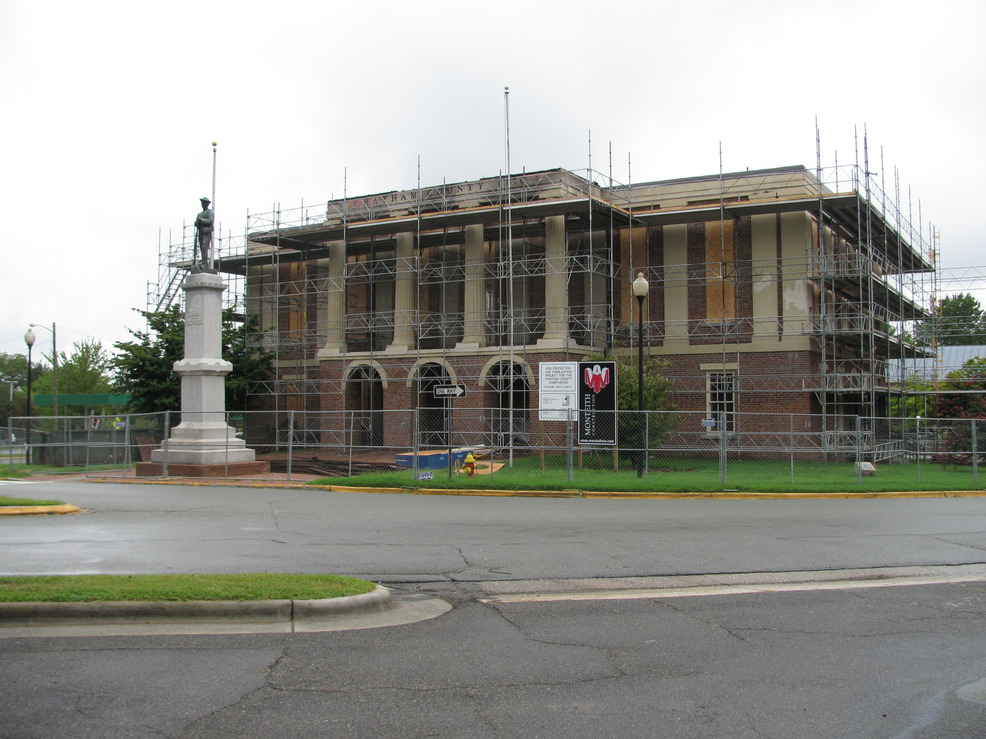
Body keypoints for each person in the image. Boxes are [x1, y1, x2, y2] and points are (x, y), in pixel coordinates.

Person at [194, 196, 214, 267]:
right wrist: (196, 222)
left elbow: (210, 221)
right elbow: (196, 224)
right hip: (200, 232)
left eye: (204, 203)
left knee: (204, 247)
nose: (202, 204)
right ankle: (203, 262)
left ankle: (205, 264)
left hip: (206, 232)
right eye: (202, 203)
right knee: (201, 248)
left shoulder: (210, 212)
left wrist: (201, 220)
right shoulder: (199, 214)